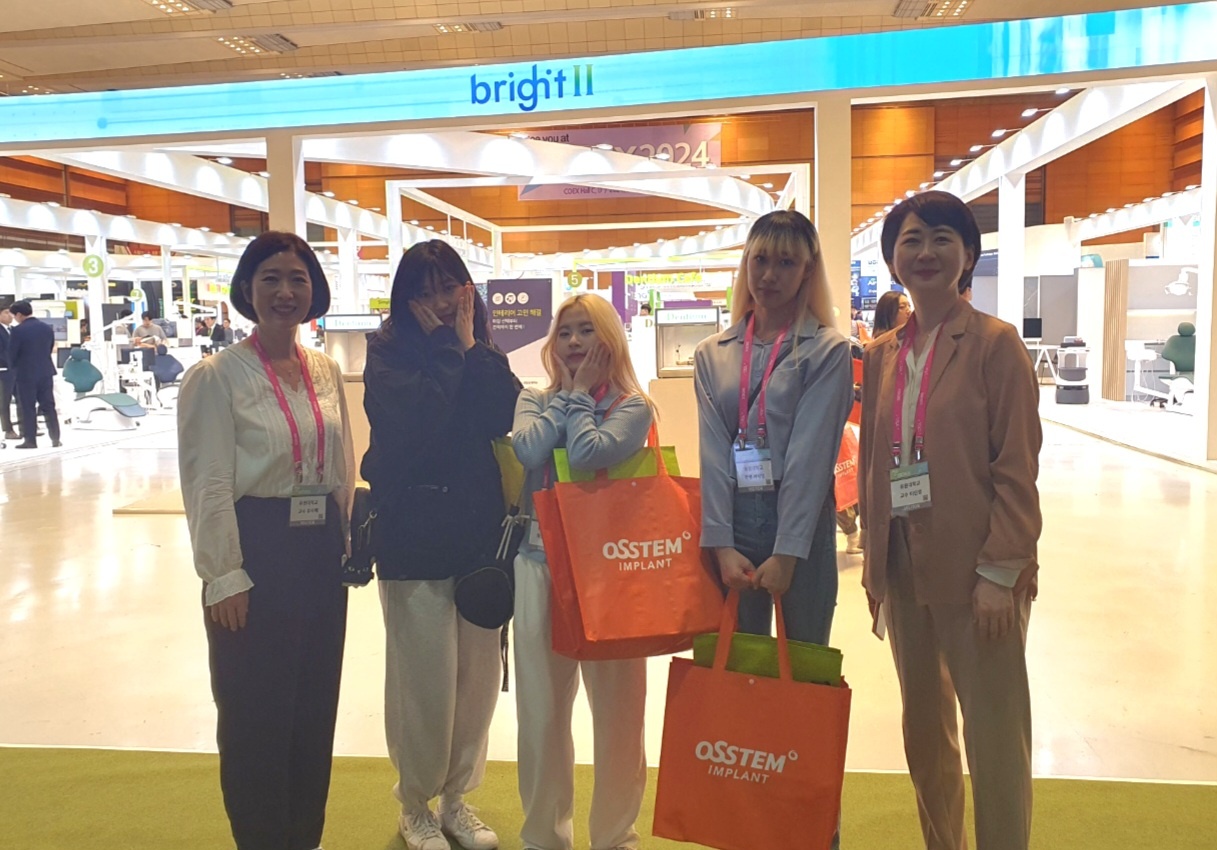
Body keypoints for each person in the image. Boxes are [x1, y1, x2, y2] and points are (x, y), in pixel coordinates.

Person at [858, 191, 1042, 850]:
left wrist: (1000, 572)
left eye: (942, 238)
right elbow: (874, 463)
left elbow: (1016, 467)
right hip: (904, 569)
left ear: (967, 255)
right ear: (892, 260)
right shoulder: (881, 354)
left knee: (994, 740)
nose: (925, 251)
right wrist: (875, 570)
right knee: (924, 737)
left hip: (979, 574)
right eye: (910, 240)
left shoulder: (996, 344)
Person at [177, 231, 355, 850]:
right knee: (255, 714)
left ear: (314, 291)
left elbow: (339, 464)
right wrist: (224, 574)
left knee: (313, 705)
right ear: (247, 290)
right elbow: (208, 483)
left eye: (297, 278)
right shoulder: (216, 376)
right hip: (255, 552)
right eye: (271, 278)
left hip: (318, 553)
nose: (285, 291)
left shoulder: (325, 370)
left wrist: (347, 543)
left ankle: (305, 835)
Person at [362, 240, 520, 850]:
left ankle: (456, 798)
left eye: (447, 287)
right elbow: (419, 421)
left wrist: (470, 345)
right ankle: (415, 804)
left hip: (478, 537)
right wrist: (448, 349)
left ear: (466, 291)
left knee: (477, 678)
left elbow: (504, 413)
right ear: (403, 299)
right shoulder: (388, 354)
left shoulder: (480, 350)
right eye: (422, 291)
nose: (437, 302)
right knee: (423, 679)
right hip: (413, 537)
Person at [511, 294, 654, 850]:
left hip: (611, 572)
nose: (574, 342)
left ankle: (615, 836)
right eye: (566, 331)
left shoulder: (633, 407)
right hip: (539, 565)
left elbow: (590, 452)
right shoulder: (533, 397)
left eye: (587, 331)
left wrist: (577, 401)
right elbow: (528, 451)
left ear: (609, 340)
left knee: (619, 714)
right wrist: (572, 397)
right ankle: (544, 836)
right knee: (541, 714)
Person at [8, 301, 62, 449]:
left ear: (19, 314)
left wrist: (13, 368)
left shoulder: (18, 331)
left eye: (14, 316)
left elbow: (12, 354)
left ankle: (30, 440)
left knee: (28, 407)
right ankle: (55, 438)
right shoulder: (46, 328)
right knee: (48, 405)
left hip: (25, 374)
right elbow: (49, 348)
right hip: (45, 372)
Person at [0, 305, 18, 441]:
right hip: (4, 371)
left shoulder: (13, 330)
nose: (10, 316)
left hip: (17, 370)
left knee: (22, 399)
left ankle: (27, 428)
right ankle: (8, 429)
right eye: (6, 313)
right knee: (4, 401)